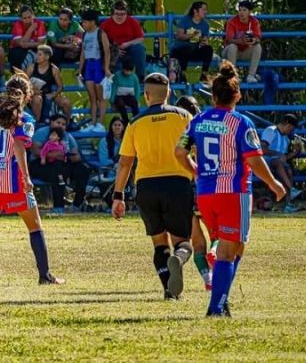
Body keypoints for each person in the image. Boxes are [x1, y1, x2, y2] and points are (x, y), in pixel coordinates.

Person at [175, 61, 286, 316]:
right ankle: (216, 308)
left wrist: (197, 171)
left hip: (205, 193)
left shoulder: (197, 121)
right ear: (237, 96)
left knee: (235, 246)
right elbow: (254, 159)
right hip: (234, 193)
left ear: (213, 96)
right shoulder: (241, 123)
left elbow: (179, 152)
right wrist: (273, 183)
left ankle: (221, 297)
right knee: (229, 251)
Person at [0, 73, 65, 285]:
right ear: (28, 95)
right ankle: (45, 276)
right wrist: (27, 177)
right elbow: (19, 146)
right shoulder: (25, 119)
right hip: (12, 180)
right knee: (35, 226)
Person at [111, 72, 195, 300]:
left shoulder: (135, 122)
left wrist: (118, 196)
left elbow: (125, 162)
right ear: (169, 93)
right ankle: (179, 258)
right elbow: (195, 152)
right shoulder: (184, 116)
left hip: (146, 187)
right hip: (178, 184)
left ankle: (169, 289)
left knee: (159, 243)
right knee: (183, 242)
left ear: (146, 95)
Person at [173, 95, 213, 291]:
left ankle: (208, 279)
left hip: (184, 189)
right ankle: (215, 255)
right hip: (208, 186)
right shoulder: (205, 127)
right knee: (217, 235)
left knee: (197, 241)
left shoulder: (178, 132)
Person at [30, 113, 90, 213]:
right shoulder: (42, 132)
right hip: (41, 163)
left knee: (82, 170)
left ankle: (77, 204)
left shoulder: (67, 136)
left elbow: (76, 156)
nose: (61, 126)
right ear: (51, 122)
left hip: (63, 162)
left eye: (63, 124)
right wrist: (53, 155)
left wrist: (65, 156)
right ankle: (58, 207)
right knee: (58, 172)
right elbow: (35, 151)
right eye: (58, 123)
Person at [78, 9, 112, 133]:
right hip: (89, 65)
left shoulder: (101, 33)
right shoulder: (84, 34)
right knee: (92, 97)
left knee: (100, 96)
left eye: (85, 22)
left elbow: (107, 52)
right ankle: (92, 123)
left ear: (92, 22)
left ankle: (100, 123)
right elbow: (83, 53)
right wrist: (80, 69)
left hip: (98, 65)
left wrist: (106, 68)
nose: (83, 24)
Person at [260, 114, 302, 213]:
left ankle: (289, 203)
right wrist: (278, 154)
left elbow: (284, 158)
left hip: (279, 165)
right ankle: (291, 190)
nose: (291, 131)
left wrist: (295, 152)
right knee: (279, 163)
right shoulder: (271, 131)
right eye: (291, 128)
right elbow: (262, 149)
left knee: (288, 170)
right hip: (266, 162)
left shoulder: (286, 138)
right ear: (287, 124)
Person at [100, 0, 146, 81]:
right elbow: (100, 41)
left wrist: (128, 43)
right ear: (113, 13)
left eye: (122, 14)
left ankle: (140, 76)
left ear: (126, 13)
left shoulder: (133, 22)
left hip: (129, 49)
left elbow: (141, 38)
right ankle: (118, 80)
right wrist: (114, 49)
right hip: (113, 51)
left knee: (140, 48)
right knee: (117, 73)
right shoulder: (106, 24)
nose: (119, 17)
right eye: (117, 14)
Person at [25, 45, 72, 123]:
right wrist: (33, 91)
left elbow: (60, 87)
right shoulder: (31, 67)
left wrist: (54, 94)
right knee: (37, 98)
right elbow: (22, 84)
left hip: (48, 93)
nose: (37, 57)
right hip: (33, 94)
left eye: (40, 54)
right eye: (37, 54)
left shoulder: (54, 69)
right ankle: (37, 123)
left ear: (47, 57)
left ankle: (67, 123)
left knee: (66, 102)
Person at [170, 1, 214, 84]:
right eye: (203, 9)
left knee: (209, 49)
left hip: (196, 50)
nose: (206, 12)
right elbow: (179, 36)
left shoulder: (205, 25)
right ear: (195, 11)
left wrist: (203, 41)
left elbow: (205, 40)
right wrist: (192, 35)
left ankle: (204, 74)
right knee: (186, 47)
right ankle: (182, 73)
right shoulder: (185, 20)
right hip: (182, 50)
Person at [224, 0, 263, 83]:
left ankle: (251, 75)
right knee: (232, 47)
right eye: (240, 10)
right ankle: (232, 76)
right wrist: (242, 41)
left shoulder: (254, 21)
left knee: (258, 47)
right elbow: (229, 39)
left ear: (250, 12)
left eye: (244, 10)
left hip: (245, 51)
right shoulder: (232, 21)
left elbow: (258, 38)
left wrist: (253, 40)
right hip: (230, 52)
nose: (241, 13)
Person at [9, 5, 47, 70]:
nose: (28, 20)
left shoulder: (39, 24)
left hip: (35, 49)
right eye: (25, 18)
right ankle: (20, 74)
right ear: (21, 19)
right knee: (16, 55)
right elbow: (20, 43)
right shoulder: (18, 24)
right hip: (18, 49)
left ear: (33, 16)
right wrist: (30, 29)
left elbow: (41, 43)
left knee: (38, 54)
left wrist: (28, 44)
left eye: (29, 17)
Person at [109, 59, 141, 125]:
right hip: (119, 96)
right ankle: (126, 121)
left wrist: (137, 100)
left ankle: (136, 119)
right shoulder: (117, 76)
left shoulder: (134, 77)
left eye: (130, 71)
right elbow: (113, 89)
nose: (128, 72)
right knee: (120, 103)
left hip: (129, 96)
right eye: (126, 70)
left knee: (134, 102)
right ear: (123, 68)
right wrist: (112, 102)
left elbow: (137, 89)